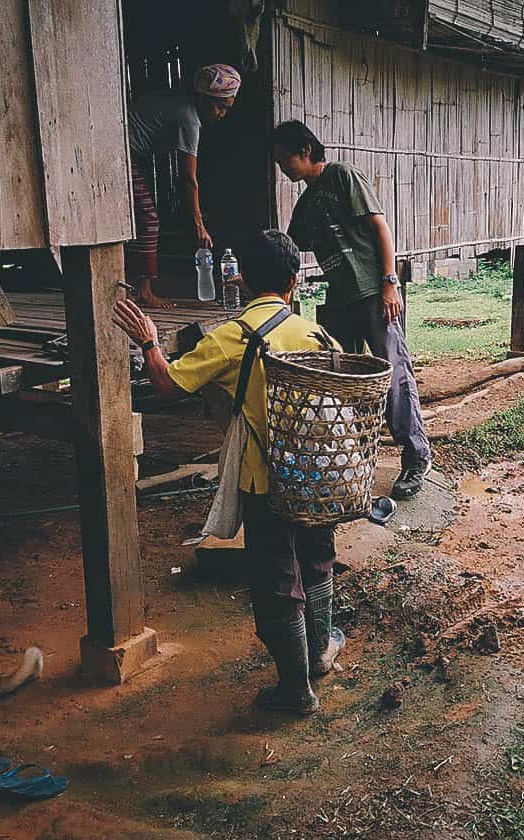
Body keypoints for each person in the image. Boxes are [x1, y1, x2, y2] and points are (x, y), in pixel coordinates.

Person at [112, 230, 344, 716]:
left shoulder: (234, 337)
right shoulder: (318, 335)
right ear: (294, 281)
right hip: (318, 478)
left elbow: (166, 386)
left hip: (265, 482)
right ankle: (321, 651)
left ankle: (297, 692)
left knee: (278, 580)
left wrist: (151, 342)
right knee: (317, 557)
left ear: (241, 279)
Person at [270, 120, 433, 501]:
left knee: (393, 375)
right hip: (340, 300)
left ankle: (416, 455)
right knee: (342, 383)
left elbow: (381, 227)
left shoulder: (342, 176)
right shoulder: (307, 202)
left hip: (374, 295)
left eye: (284, 160)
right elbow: (289, 246)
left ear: (306, 151)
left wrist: (390, 282)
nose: (282, 169)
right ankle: (355, 456)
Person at [127, 64, 241, 308]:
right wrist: (198, 224)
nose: (222, 113)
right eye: (219, 106)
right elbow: (188, 179)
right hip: (121, 154)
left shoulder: (181, 102)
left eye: (227, 108)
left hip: (125, 152)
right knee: (148, 219)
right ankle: (144, 291)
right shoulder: (189, 119)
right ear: (204, 97)